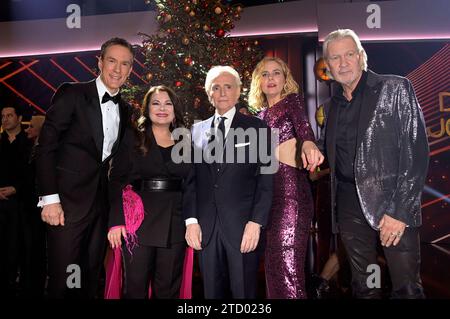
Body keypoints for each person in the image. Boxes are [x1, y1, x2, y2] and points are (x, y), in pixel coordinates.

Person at [317, 29, 429, 298]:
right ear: (328, 66)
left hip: (392, 202)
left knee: (407, 288)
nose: (343, 63)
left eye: (349, 55)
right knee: (364, 286)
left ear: (361, 56)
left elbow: (416, 153)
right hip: (348, 203)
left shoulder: (395, 88)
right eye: (335, 58)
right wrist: (311, 145)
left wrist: (400, 210)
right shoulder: (331, 106)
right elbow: (333, 151)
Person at [36, 37, 134, 298]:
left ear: (130, 70)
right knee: (64, 278)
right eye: (112, 61)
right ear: (100, 63)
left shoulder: (125, 110)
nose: (117, 69)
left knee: (90, 276)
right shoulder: (73, 93)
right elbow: (45, 147)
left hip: (99, 208)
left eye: (125, 64)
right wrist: (50, 199)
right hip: (65, 205)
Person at [183, 65, 274, 298]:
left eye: (228, 87)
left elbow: (266, 180)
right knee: (211, 293)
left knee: (244, 293)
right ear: (208, 93)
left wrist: (256, 222)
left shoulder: (258, 127)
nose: (222, 92)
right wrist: (191, 221)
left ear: (238, 92)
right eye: (216, 87)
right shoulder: (195, 131)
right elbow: (190, 181)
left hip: (243, 228)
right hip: (206, 229)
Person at [106, 85, 192, 299]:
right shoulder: (131, 137)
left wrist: (193, 222)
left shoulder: (186, 141)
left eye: (167, 103)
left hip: (175, 222)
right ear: (147, 109)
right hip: (137, 224)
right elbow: (115, 180)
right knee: (135, 288)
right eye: (156, 103)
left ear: (175, 110)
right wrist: (116, 221)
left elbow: (192, 184)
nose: (162, 108)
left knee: (168, 289)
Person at [248, 57, 324, 299]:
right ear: (258, 81)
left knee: (287, 265)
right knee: (273, 266)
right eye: (265, 74)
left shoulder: (292, 102)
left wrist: (309, 145)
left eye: (276, 73)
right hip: (266, 202)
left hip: (291, 197)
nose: (271, 78)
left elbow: (304, 129)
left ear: (285, 79)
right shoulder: (258, 116)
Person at [0, 105, 33, 297]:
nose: (5, 119)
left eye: (9, 115)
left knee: (21, 249)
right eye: (3, 116)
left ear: (19, 118)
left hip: (22, 208)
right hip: (1, 205)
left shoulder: (30, 144)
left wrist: (16, 189)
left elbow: (33, 174)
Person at [20, 115, 47, 298]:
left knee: (38, 248)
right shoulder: (33, 148)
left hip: (41, 207)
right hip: (29, 206)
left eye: (31, 126)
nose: (27, 130)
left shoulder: (46, 150)